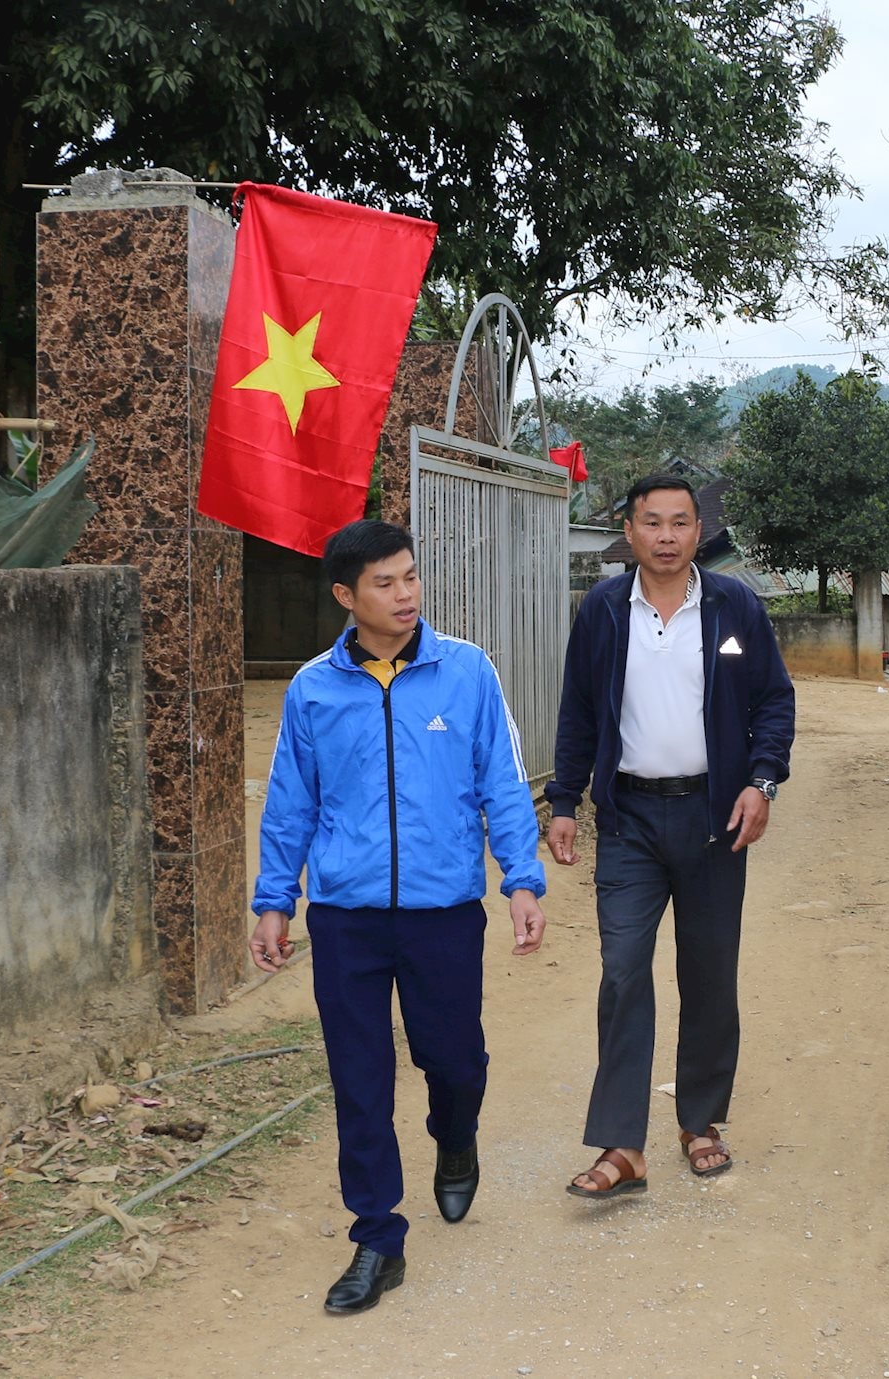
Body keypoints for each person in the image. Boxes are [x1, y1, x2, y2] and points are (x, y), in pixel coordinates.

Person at [250, 519, 549, 1314]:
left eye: (411, 577)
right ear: (347, 596)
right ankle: (378, 1236)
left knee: (453, 1060)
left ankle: (455, 1135)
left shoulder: (467, 672)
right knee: (359, 1078)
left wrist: (522, 878)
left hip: (442, 910)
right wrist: (276, 898)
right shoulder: (314, 687)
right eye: (385, 583)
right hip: (346, 915)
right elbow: (291, 802)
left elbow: (504, 784)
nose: (406, 594)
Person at [546, 473, 795, 1198]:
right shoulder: (601, 609)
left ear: (698, 532)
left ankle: (699, 1120)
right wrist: (565, 799)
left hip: (715, 820)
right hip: (627, 821)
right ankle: (624, 1145)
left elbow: (774, 701)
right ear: (629, 531)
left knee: (710, 971)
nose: (664, 536)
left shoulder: (733, 605)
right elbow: (579, 712)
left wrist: (762, 780)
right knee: (623, 971)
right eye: (651, 522)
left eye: (679, 522)